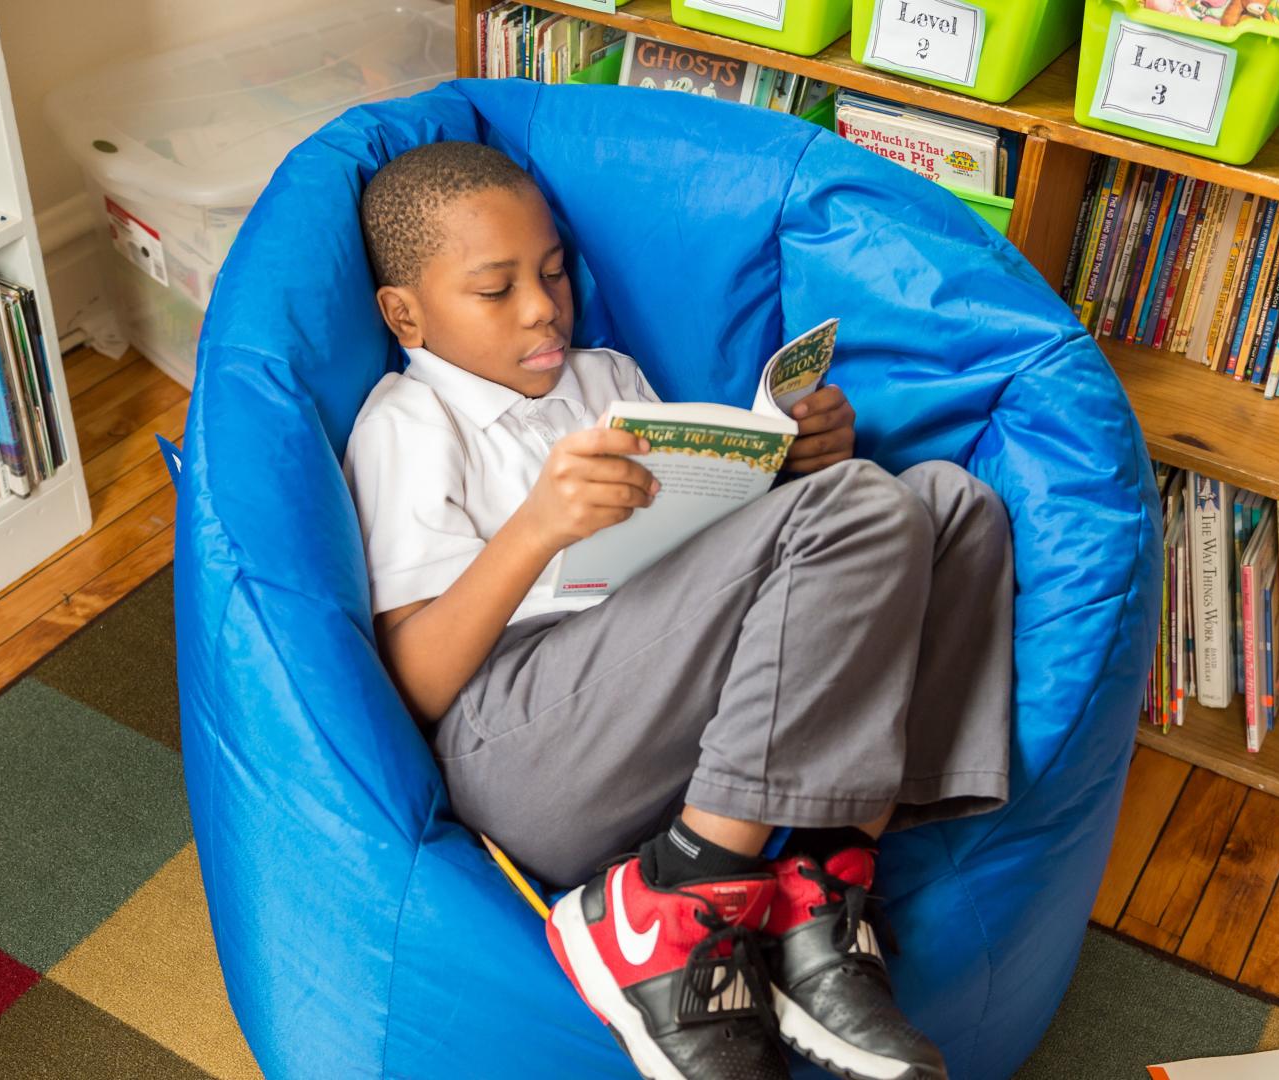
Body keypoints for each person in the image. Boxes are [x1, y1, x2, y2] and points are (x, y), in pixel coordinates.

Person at [344, 140, 1013, 1080]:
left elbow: (708, 562)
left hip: (664, 708)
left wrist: (791, 470)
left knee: (949, 503)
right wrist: (533, 529)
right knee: (863, 503)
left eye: (552, 272)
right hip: (522, 747)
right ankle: (673, 900)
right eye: (496, 291)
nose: (543, 307)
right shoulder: (406, 425)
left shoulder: (606, 378)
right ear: (405, 313)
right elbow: (412, 681)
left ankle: (818, 884)